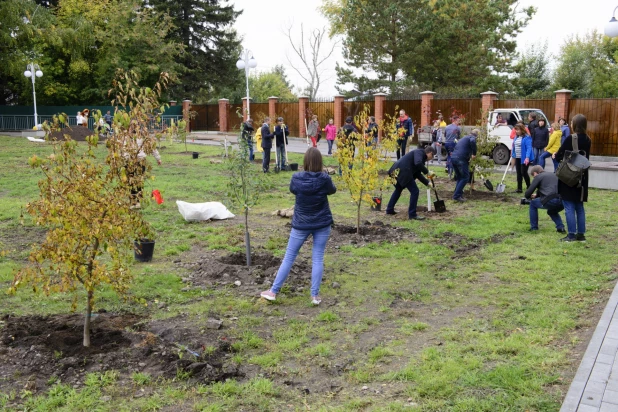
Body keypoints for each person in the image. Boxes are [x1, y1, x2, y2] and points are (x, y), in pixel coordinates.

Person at [260, 148, 336, 305]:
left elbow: (293, 190)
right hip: (322, 223)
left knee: (289, 257)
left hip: (301, 224)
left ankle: (273, 291)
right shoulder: (325, 178)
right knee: (317, 258)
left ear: (305, 161)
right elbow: (332, 190)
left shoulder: (296, 178)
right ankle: (314, 296)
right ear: (320, 162)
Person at [553, 114, 591, 242]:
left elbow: (560, 156)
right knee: (579, 207)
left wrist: (555, 155)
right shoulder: (588, 139)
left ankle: (571, 235)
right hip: (582, 177)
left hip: (569, 176)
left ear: (575, 125)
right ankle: (581, 235)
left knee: (569, 206)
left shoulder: (571, 138)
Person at [385, 146, 436, 220]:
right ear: (430, 153)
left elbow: (417, 174)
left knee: (398, 189)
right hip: (403, 171)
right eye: (432, 156)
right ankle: (412, 214)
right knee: (415, 191)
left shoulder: (420, 157)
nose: (431, 158)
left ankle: (389, 210)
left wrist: (427, 183)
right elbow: (418, 163)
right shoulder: (420, 152)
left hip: (395, 170)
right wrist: (427, 172)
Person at [525, 165, 565, 233]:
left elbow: (527, 194)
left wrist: (528, 197)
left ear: (535, 173)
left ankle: (534, 228)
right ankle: (560, 228)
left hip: (550, 200)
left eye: (533, 176)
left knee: (532, 204)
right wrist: (537, 195)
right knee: (552, 211)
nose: (534, 177)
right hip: (562, 201)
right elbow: (548, 188)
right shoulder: (554, 175)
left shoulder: (538, 177)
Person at [450, 129, 478, 202]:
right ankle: (456, 196)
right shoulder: (472, 138)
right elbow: (472, 141)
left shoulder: (464, 138)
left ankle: (458, 194)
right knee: (465, 177)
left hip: (454, 157)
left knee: (460, 177)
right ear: (476, 135)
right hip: (460, 159)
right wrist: (474, 154)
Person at [511, 124, 534, 193]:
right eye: (516, 130)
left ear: (522, 130)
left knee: (523, 172)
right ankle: (519, 188)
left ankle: (529, 187)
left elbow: (529, 148)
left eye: (518, 130)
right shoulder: (516, 137)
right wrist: (513, 154)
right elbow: (514, 146)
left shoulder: (527, 137)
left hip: (524, 158)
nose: (517, 131)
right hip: (517, 157)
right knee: (518, 173)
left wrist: (527, 157)